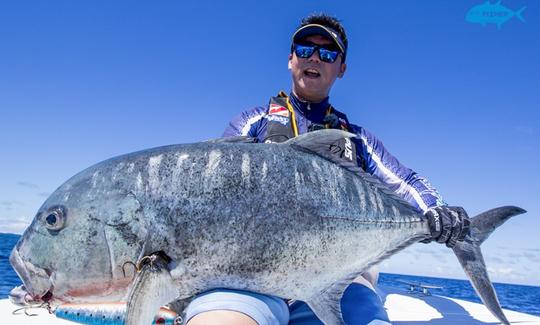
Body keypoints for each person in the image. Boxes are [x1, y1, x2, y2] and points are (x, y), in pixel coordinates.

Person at [185, 13, 470, 325]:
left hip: (341, 279)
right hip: (253, 275)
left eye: (329, 53)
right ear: (291, 58)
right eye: (305, 49)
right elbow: (216, 188)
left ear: (342, 68)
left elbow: (405, 182)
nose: (316, 58)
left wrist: (438, 211)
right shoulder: (254, 123)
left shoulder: (358, 140)